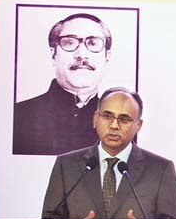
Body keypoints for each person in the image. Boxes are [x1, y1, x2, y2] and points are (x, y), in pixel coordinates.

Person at [41, 87, 176, 219]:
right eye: (107, 116)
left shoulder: (160, 170)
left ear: (138, 125)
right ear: (95, 119)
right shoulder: (66, 165)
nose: (114, 125)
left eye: (124, 119)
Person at [14, 13, 114, 156]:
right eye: (69, 43)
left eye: (93, 43)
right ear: (53, 54)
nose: (81, 54)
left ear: (107, 57)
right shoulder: (18, 116)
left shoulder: (124, 123)